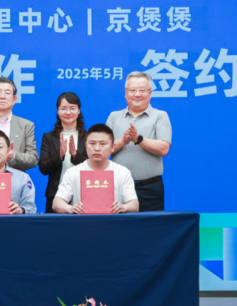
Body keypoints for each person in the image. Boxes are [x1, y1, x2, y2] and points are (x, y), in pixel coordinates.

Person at [106, 72, 172, 212]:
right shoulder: (114, 117)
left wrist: (138, 139)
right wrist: (124, 140)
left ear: (150, 93)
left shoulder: (160, 116)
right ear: (126, 93)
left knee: (151, 225)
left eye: (142, 90)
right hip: (118, 187)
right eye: (133, 90)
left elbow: (164, 148)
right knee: (119, 226)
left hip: (150, 188)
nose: (137, 94)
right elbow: (103, 149)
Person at [53, 124, 138, 215]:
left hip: (112, 222)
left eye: (102, 144)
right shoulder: (72, 172)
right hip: (82, 222)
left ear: (113, 147)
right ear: (86, 146)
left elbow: (134, 204)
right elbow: (57, 203)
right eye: (92, 143)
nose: (97, 148)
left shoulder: (122, 172)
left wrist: (123, 207)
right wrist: (70, 208)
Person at [38, 92, 89, 213]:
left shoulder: (89, 137)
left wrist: (75, 155)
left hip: (84, 194)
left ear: (79, 110)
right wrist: (59, 155)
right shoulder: (49, 138)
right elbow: (43, 168)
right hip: (56, 195)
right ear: (57, 110)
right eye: (63, 108)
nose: (68, 112)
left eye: (72, 108)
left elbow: (94, 167)